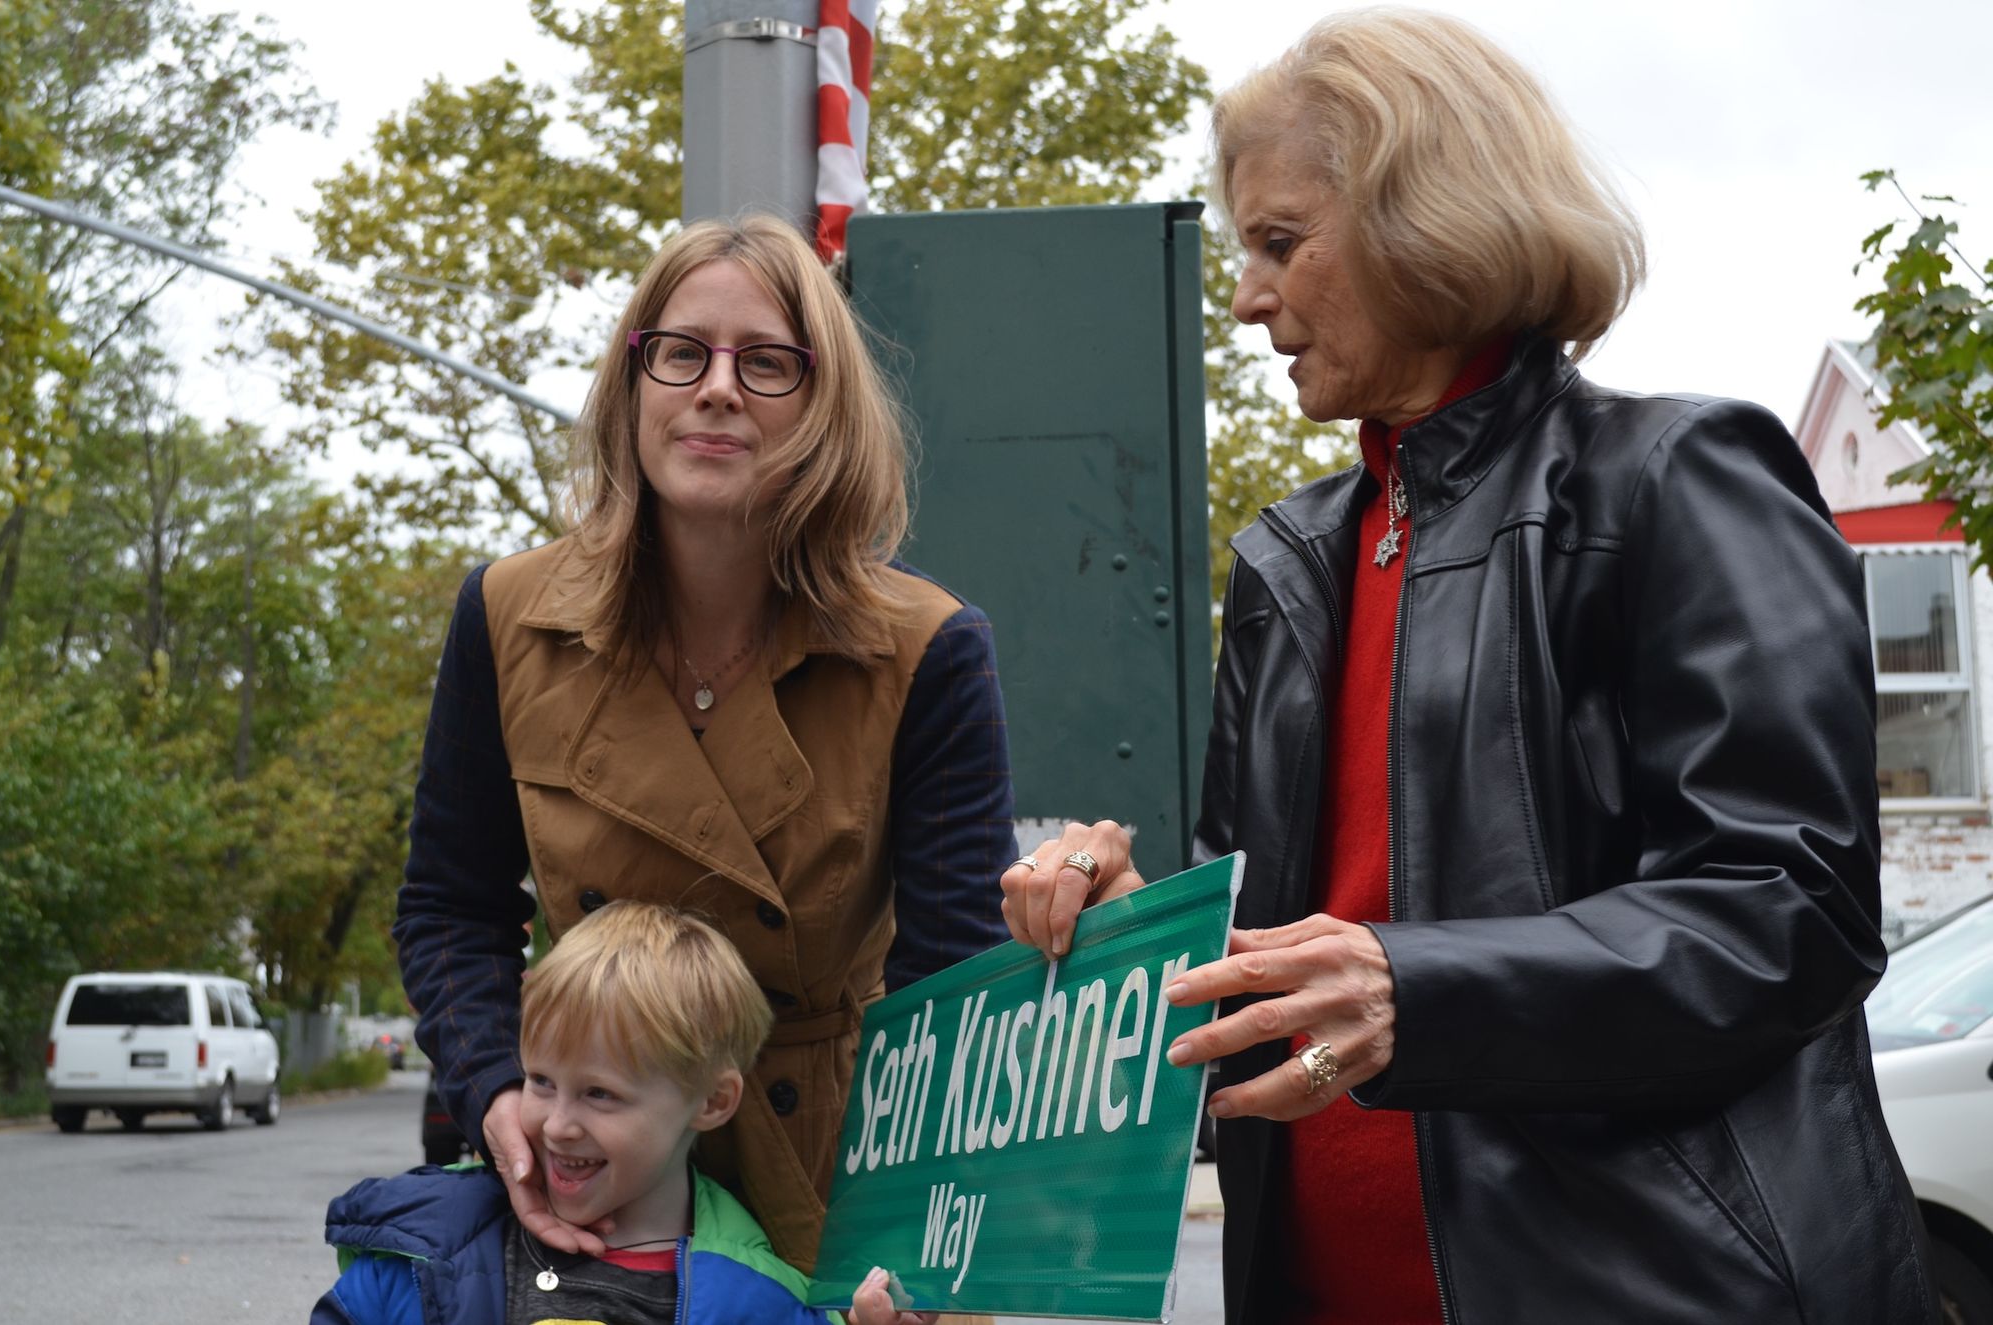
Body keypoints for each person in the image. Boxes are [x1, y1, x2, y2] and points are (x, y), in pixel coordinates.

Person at [1002, 10, 1936, 1323]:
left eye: (1279, 242)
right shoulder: (1290, 562)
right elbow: (1285, 958)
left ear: (1421, 215)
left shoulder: (1676, 480)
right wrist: (1133, 925)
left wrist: (1422, 986)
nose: (1247, 296)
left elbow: (1791, 909)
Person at [396, 213, 1014, 1274]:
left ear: (823, 408)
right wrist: (498, 1084)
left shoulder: (925, 648)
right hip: (576, 1172)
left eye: (766, 362)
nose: (717, 387)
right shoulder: (504, 612)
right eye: (681, 352)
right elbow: (451, 903)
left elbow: (952, 983)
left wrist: (913, 1244)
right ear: (634, 383)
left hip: (834, 1177)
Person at [314, 901, 933, 1324]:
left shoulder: (762, 1299)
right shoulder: (422, 1256)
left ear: (713, 1101)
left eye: (600, 1094)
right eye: (541, 1080)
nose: (557, 1125)